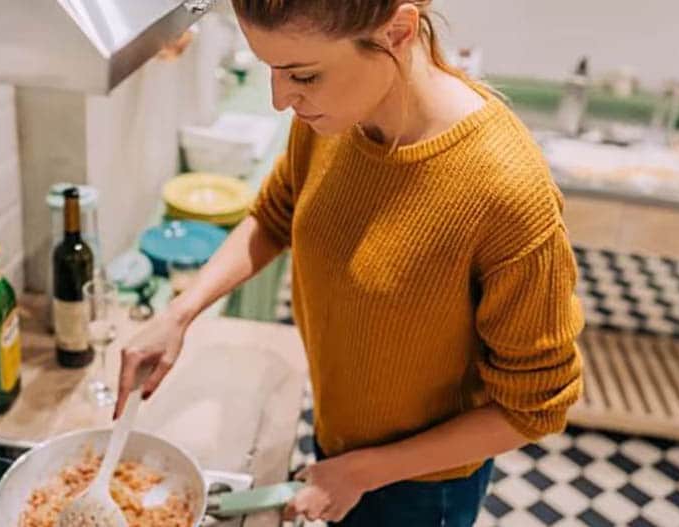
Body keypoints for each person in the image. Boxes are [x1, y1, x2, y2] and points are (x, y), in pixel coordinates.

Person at [115, 1, 583, 524]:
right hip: (339, 442)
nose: (279, 99)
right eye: (273, 69)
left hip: (422, 489)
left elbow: (535, 408)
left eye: (303, 75)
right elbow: (275, 215)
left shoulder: (506, 191)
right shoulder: (331, 118)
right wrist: (180, 313)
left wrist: (361, 472)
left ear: (398, 32)